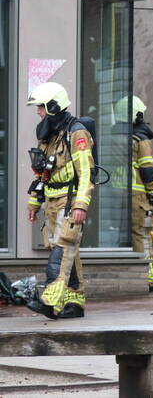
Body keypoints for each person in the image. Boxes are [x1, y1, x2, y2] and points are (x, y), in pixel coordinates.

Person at [25, 82, 94, 319]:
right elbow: (41, 173)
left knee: (63, 247)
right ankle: (75, 300)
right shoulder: (48, 135)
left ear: (54, 106)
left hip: (69, 199)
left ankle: (49, 299)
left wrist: (80, 205)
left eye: (41, 107)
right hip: (52, 201)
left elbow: (86, 172)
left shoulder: (77, 132)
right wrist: (35, 202)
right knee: (64, 249)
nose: (38, 112)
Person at [113, 95, 153, 293]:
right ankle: (150, 280)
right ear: (136, 115)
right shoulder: (140, 140)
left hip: (115, 195)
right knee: (143, 236)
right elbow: (147, 170)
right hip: (137, 196)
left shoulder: (112, 138)